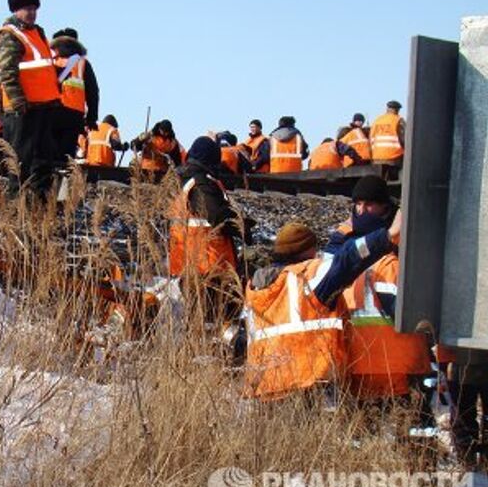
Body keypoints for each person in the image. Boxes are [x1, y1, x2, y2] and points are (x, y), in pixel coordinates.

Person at [244, 211, 402, 400]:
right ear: (308, 251)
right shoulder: (308, 276)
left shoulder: (254, 287)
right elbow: (349, 257)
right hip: (309, 383)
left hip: (266, 389)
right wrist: (388, 235)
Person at [324, 176, 431, 402]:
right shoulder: (345, 233)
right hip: (357, 348)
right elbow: (333, 265)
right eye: (358, 204)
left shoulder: (407, 228)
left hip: (396, 348)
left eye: (369, 204)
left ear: (384, 205)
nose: (362, 211)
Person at [0, 0, 61, 198]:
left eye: (34, 8)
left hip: (43, 106)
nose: (31, 13)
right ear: (16, 10)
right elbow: (6, 71)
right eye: (26, 9)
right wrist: (18, 101)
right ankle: (16, 204)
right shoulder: (10, 35)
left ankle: (39, 204)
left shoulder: (37, 33)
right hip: (22, 110)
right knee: (20, 161)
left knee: (43, 160)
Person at [169, 135, 240, 326]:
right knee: (214, 321)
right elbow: (216, 216)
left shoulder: (183, 181)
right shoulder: (202, 183)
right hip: (208, 264)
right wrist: (242, 227)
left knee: (197, 320)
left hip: (189, 262)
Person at [50, 27, 100, 161]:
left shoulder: (49, 61)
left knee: (48, 156)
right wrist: (91, 118)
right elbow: (93, 91)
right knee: (67, 158)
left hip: (50, 113)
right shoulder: (82, 63)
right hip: (73, 116)